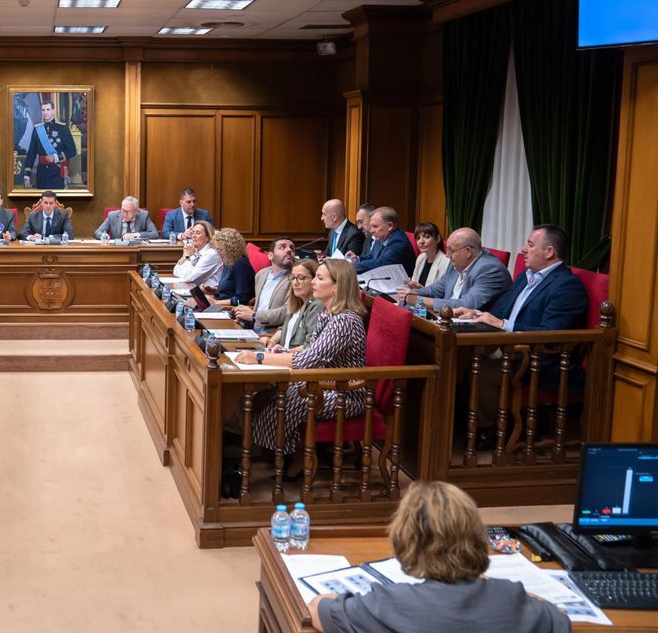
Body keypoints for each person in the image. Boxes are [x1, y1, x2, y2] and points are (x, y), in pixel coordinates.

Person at [309, 481, 570, 633]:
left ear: (407, 541)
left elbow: (318, 609)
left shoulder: (390, 604)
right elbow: (560, 619)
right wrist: (521, 595)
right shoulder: (513, 600)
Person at [234, 259, 368, 468]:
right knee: (268, 395)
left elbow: (307, 361)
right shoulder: (327, 314)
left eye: (319, 278)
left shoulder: (344, 320)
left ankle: (291, 458)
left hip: (344, 392)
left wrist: (258, 358)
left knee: (285, 402)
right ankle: (274, 450)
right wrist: (283, 351)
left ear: (337, 286)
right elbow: (311, 349)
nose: (313, 282)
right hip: (322, 382)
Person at [455, 224, 588, 431]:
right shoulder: (525, 276)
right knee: (462, 361)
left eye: (530, 244)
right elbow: (501, 309)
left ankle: (493, 431)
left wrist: (502, 324)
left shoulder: (567, 286)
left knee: (482, 373)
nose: (523, 249)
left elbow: (551, 334)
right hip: (511, 349)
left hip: (542, 361)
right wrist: (476, 313)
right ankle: (465, 426)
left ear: (549, 252)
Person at [399, 228, 511, 312]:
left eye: (451, 251)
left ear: (468, 251)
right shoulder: (457, 263)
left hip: (477, 330)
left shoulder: (490, 269)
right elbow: (439, 287)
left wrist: (419, 301)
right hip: (448, 318)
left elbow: (466, 304)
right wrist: (413, 292)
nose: (447, 255)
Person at [234, 238, 296, 331]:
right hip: (253, 330)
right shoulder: (261, 275)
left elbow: (288, 311)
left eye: (292, 248)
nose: (289, 250)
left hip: (273, 334)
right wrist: (243, 314)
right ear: (270, 255)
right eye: (282, 247)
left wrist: (254, 316)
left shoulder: (296, 279)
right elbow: (259, 306)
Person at [261, 259, 324, 349]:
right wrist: (272, 341)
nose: (295, 283)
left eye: (301, 278)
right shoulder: (296, 304)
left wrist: (283, 352)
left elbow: (310, 346)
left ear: (314, 280)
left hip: (293, 357)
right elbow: (283, 329)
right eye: (293, 278)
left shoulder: (317, 306)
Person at [23, 95, 77, 190]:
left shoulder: (62, 128)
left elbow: (72, 150)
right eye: (43, 110)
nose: (45, 113)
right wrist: (27, 175)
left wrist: (56, 157)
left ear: (53, 111)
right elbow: (31, 153)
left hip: (57, 172)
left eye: (48, 110)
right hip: (42, 174)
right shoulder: (37, 129)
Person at [350, 206, 416, 275]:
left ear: (390, 226)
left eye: (375, 226)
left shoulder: (398, 242)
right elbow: (371, 257)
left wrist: (350, 267)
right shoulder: (381, 238)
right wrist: (357, 259)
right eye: (371, 226)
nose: (371, 231)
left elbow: (381, 263)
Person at [208, 227, 255, 306]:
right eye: (217, 250)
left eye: (221, 250)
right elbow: (230, 289)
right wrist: (214, 290)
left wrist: (216, 303)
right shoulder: (228, 262)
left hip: (230, 309)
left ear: (231, 249)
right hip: (221, 305)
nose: (219, 253)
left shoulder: (241, 264)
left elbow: (243, 299)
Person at [172, 221, 223, 288]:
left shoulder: (211, 254)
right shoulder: (196, 250)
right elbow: (176, 271)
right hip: (195, 289)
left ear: (207, 237)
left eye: (198, 233)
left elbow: (189, 278)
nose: (193, 236)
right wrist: (184, 256)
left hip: (211, 292)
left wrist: (187, 257)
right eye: (193, 232)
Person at [94, 196, 158, 241]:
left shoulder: (144, 215)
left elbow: (154, 234)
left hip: (137, 249)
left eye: (128, 212)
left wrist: (135, 235)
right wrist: (104, 236)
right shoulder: (112, 216)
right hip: (118, 250)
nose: (124, 214)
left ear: (136, 211)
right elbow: (97, 232)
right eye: (123, 210)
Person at [408, 221, 450, 289]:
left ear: (438, 239)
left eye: (427, 237)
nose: (421, 241)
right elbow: (414, 282)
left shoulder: (446, 262)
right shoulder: (420, 258)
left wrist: (421, 289)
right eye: (418, 238)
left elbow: (442, 291)